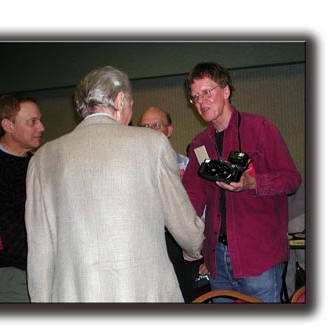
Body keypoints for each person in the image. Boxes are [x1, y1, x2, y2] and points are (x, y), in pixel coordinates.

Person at [25, 66, 205, 303]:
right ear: (120, 101)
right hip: (144, 293)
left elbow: (40, 252)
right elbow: (184, 224)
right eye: (131, 104)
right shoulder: (153, 145)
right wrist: (193, 247)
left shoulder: (43, 158)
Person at [182, 62, 302, 303]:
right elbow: (193, 198)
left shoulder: (260, 129)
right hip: (218, 257)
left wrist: (251, 182)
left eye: (207, 92)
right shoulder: (199, 145)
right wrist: (188, 238)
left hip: (258, 256)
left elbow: (291, 180)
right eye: (195, 97)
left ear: (226, 91)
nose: (201, 102)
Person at [0, 93, 45, 303]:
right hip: (12, 276)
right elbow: (1, 231)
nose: (41, 127)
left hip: (47, 273)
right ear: (8, 125)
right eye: (32, 121)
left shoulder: (40, 165)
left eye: (39, 120)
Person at [139, 107, 205, 303]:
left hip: (183, 244)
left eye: (157, 125)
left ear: (169, 130)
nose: (150, 130)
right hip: (147, 246)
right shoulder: (131, 170)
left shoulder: (189, 167)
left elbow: (203, 213)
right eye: (144, 126)